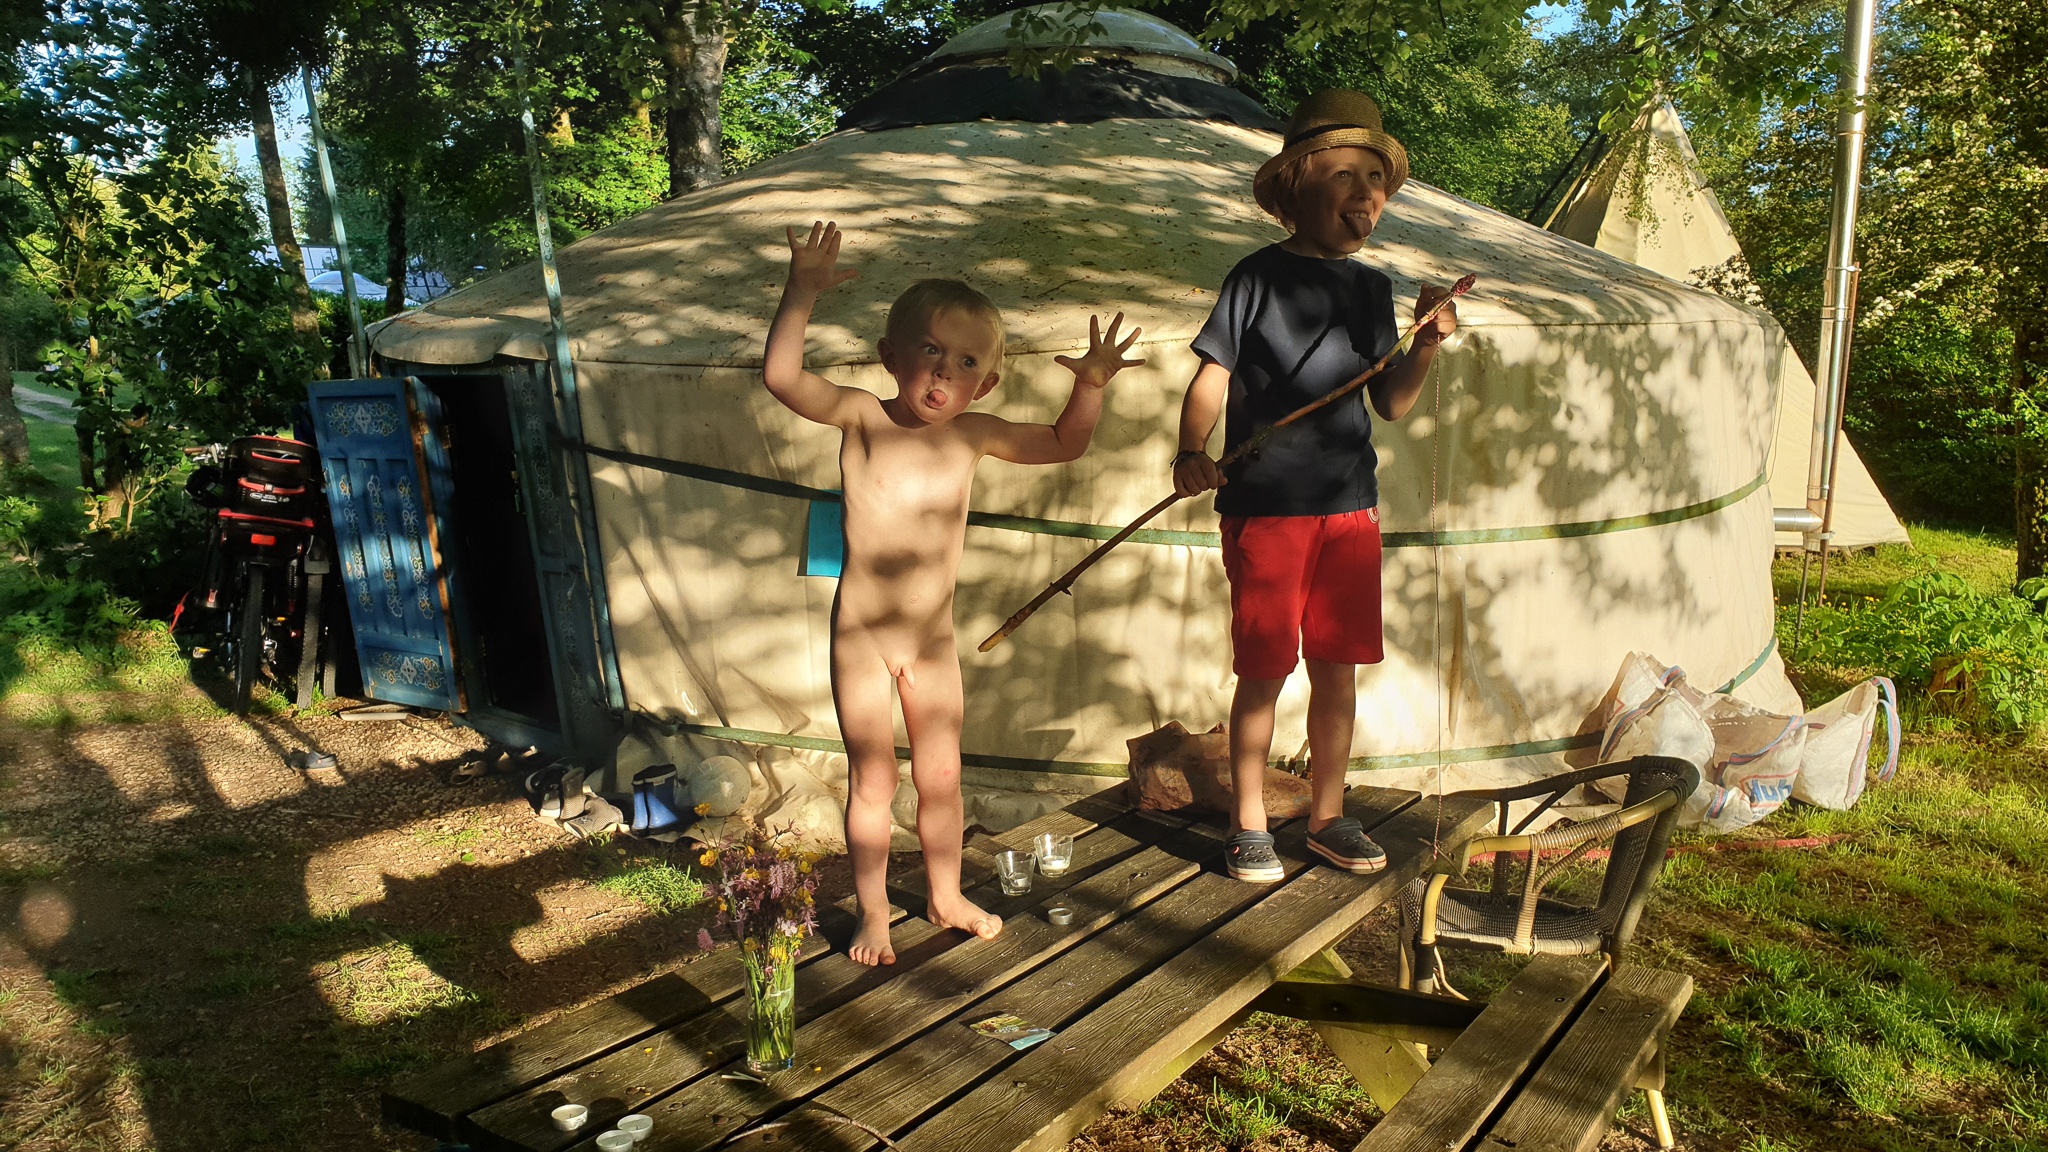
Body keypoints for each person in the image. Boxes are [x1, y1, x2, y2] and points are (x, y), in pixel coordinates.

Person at [763, 220, 1145, 964]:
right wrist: (801, 291)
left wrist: (1090, 385)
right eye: (930, 351)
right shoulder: (861, 415)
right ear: (890, 357)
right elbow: (782, 378)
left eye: (966, 362)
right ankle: (874, 911)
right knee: (874, 777)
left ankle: (944, 894)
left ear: (987, 383)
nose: (944, 372)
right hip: (862, 636)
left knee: (942, 776)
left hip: (931, 642)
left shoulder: (973, 433)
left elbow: (1066, 442)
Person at [1170, 90, 1459, 883]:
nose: (1365, 192)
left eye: (1376, 178)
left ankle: (1330, 817)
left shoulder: (1371, 289)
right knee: (1264, 672)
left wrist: (1426, 345)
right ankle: (1249, 825)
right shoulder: (1256, 278)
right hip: (1268, 511)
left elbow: (1389, 403)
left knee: (1338, 670)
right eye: (1343, 175)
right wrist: (1191, 449)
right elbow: (1212, 376)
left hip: (1349, 514)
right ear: (1296, 188)